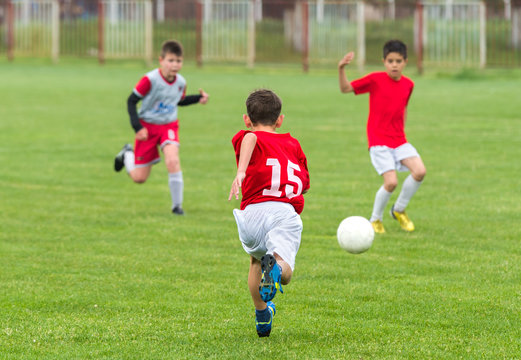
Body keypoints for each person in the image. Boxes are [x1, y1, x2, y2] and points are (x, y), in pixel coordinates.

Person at [228, 89, 310, 337]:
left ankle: (263, 315)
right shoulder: (292, 144)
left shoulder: (245, 137)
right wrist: (241, 171)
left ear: (246, 119)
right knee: (283, 272)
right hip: (282, 214)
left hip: (251, 215)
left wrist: (243, 170)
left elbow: (250, 139)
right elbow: (303, 185)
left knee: (255, 260)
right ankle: (274, 270)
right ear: (280, 120)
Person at [338, 40, 426, 234]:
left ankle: (399, 210)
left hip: (399, 140)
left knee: (419, 171)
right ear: (384, 61)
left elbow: (403, 108)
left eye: (398, 61)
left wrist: (401, 131)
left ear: (405, 62)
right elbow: (345, 89)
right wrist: (341, 69)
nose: (394, 64)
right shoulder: (375, 80)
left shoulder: (408, 84)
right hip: (379, 141)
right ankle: (375, 220)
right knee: (391, 182)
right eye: (390, 60)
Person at [114, 40, 209, 215]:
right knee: (139, 178)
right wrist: (137, 128)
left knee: (173, 160)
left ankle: (177, 207)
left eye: (178, 61)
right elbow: (131, 101)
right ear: (161, 60)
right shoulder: (149, 80)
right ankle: (127, 154)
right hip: (147, 128)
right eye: (171, 60)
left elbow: (178, 100)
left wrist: (198, 98)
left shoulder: (181, 82)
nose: (175, 65)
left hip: (168, 126)